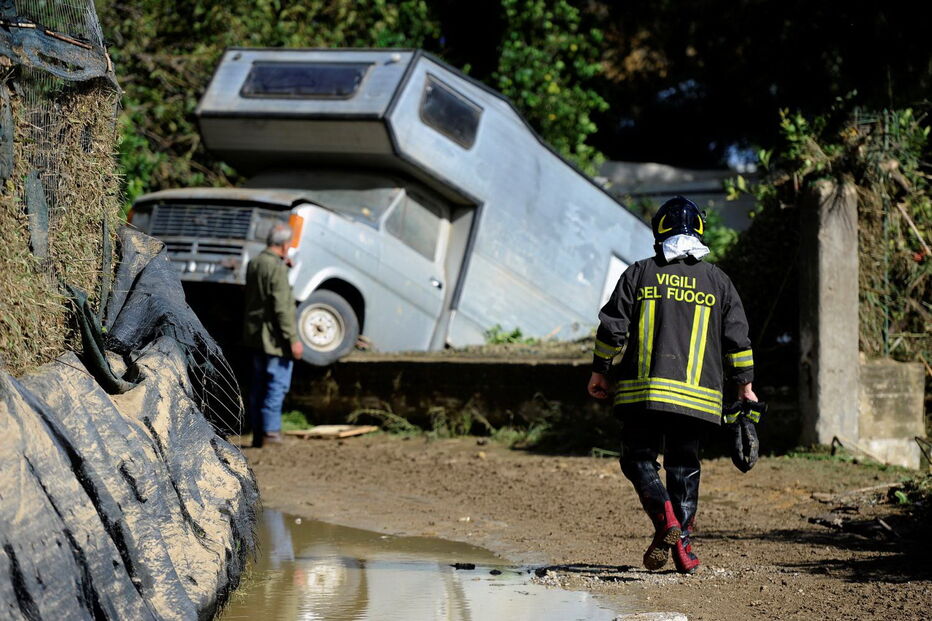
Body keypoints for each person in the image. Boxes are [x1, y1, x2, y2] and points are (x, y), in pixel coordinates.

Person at [588, 196, 756, 574]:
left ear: (657, 232)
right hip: (699, 399)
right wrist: (745, 387)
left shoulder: (640, 273)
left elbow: (612, 329)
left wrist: (600, 370)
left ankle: (666, 522)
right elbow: (738, 341)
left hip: (642, 395)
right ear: (699, 230)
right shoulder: (719, 281)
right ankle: (684, 546)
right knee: (684, 467)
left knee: (637, 460)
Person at [243, 222, 304, 448]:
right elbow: (281, 308)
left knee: (259, 385)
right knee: (276, 384)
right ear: (285, 245)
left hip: (255, 336)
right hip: (274, 339)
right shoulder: (276, 268)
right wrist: (293, 339)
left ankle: (259, 433)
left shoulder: (255, 263)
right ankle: (271, 433)